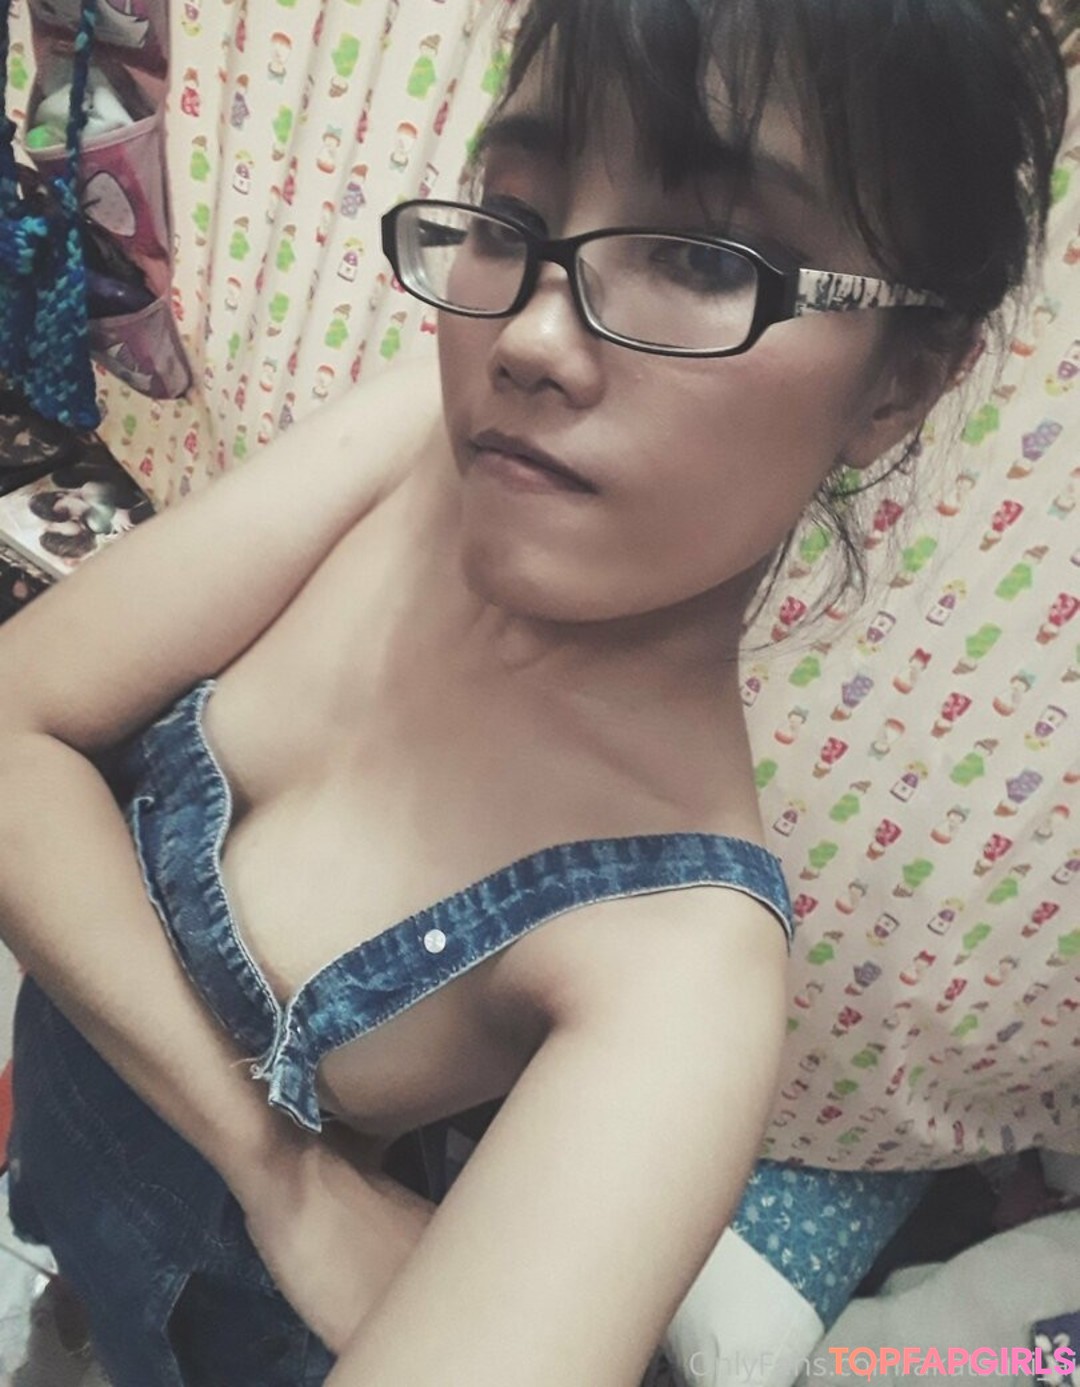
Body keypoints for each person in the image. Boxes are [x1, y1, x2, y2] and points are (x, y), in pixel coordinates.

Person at [0, 2, 1069, 1385]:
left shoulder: (678, 961)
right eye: (512, 219)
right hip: (64, 1160)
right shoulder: (417, 441)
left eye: (701, 257)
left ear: (901, 383)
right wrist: (279, 1170)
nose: (533, 338)